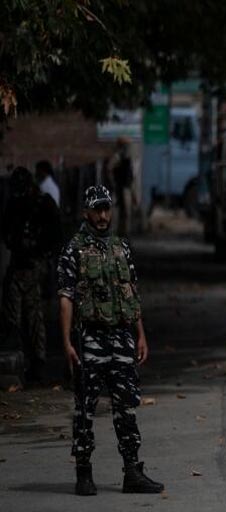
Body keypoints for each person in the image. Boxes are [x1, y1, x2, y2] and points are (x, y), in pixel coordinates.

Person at [57, 185, 163, 495]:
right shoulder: (74, 250)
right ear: (86, 211)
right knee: (85, 409)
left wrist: (140, 335)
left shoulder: (122, 248)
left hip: (122, 337)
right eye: (97, 209)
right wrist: (66, 343)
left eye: (107, 208)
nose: (103, 215)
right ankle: (84, 472)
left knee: (126, 407)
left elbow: (132, 293)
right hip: (90, 338)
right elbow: (66, 300)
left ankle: (132, 471)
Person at [0, 167, 62, 382]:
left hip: (35, 264)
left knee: (33, 314)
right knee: (15, 316)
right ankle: (25, 358)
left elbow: (55, 235)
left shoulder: (42, 203)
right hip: (20, 263)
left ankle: (37, 361)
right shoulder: (16, 204)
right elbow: (7, 231)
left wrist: (38, 248)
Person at [107, 138, 135, 237]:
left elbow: (130, 176)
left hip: (125, 188)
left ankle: (125, 235)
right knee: (117, 214)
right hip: (119, 188)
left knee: (126, 214)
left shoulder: (127, 159)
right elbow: (110, 171)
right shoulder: (117, 158)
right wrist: (114, 184)